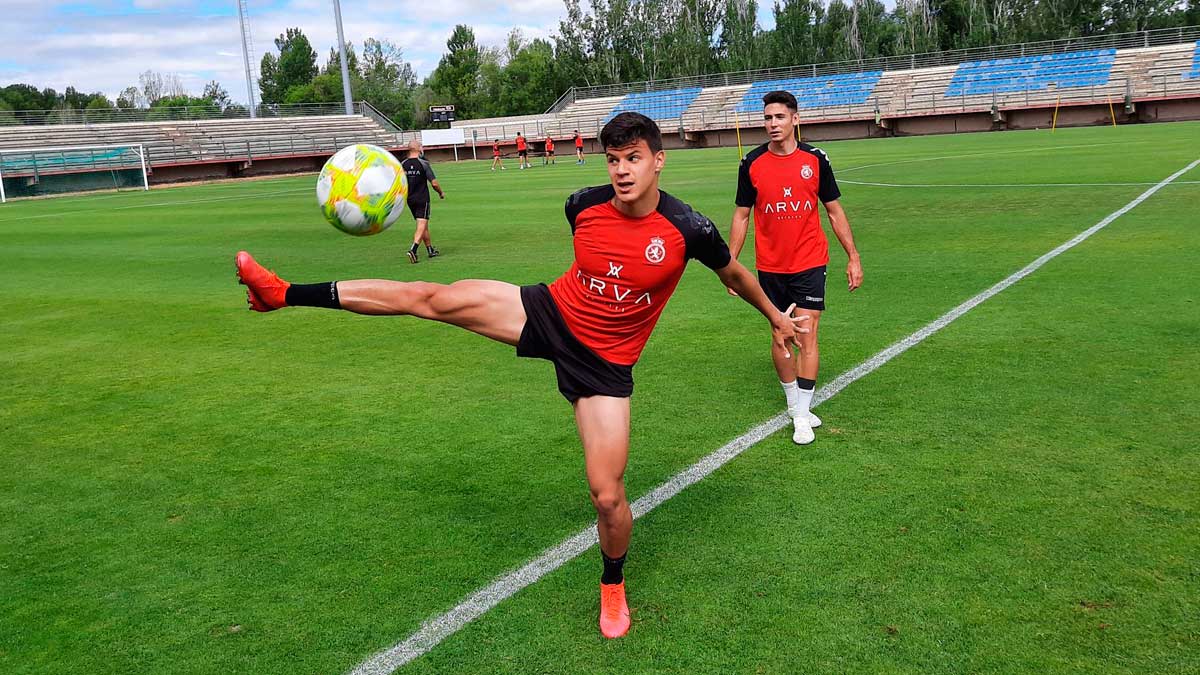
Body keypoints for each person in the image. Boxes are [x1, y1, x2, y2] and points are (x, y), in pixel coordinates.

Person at [236, 112, 807, 640]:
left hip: (606, 366)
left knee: (607, 496)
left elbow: (734, 274)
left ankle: (613, 584)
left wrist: (777, 317)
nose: (621, 170)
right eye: (613, 159)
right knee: (430, 297)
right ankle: (281, 292)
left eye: (633, 158)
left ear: (659, 160)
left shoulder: (688, 228)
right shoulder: (581, 204)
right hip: (549, 312)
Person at [727, 90, 862, 445]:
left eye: (779, 117)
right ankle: (794, 403)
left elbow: (834, 211)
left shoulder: (816, 160)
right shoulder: (751, 163)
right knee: (780, 334)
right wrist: (730, 263)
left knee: (807, 333)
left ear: (795, 120)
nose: (772, 124)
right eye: (768, 118)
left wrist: (853, 256)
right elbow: (742, 216)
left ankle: (801, 414)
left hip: (810, 261)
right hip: (770, 265)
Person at [401, 140, 445, 264]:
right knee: (421, 224)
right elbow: (434, 183)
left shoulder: (402, 164)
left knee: (423, 223)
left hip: (409, 199)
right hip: (422, 198)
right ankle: (413, 249)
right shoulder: (424, 164)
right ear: (418, 148)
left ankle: (430, 249)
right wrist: (440, 193)